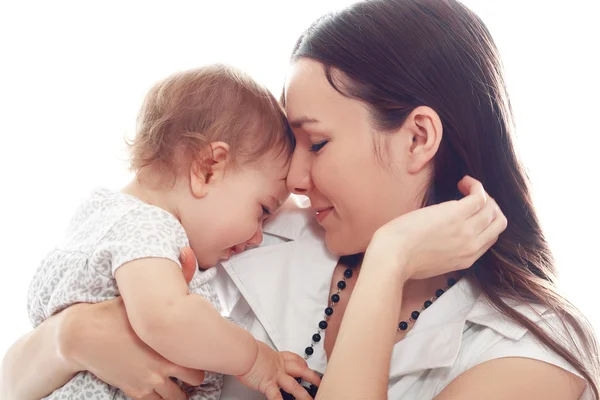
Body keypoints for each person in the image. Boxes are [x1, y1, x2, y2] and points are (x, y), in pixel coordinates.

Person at [2, 0, 599, 399]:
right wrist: (70, 336)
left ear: (418, 137)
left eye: (316, 141)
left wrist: (389, 263)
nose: (295, 175)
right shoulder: (246, 237)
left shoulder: (533, 349)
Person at [20, 64, 320, 400]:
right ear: (208, 169)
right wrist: (256, 359)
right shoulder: (146, 228)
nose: (258, 237)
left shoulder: (101, 220)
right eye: (263, 211)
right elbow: (167, 318)